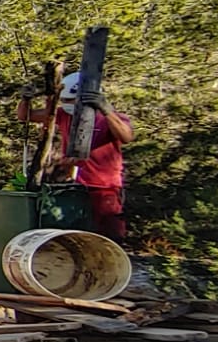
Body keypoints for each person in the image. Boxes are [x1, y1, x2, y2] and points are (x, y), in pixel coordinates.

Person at [21, 72, 136, 241]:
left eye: (70, 101)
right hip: (73, 186)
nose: (67, 105)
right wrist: (25, 99)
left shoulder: (110, 119)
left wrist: (107, 111)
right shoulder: (64, 115)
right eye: (64, 101)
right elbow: (26, 116)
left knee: (107, 235)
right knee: (74, 235)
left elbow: (126, 136)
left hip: (103, 186)